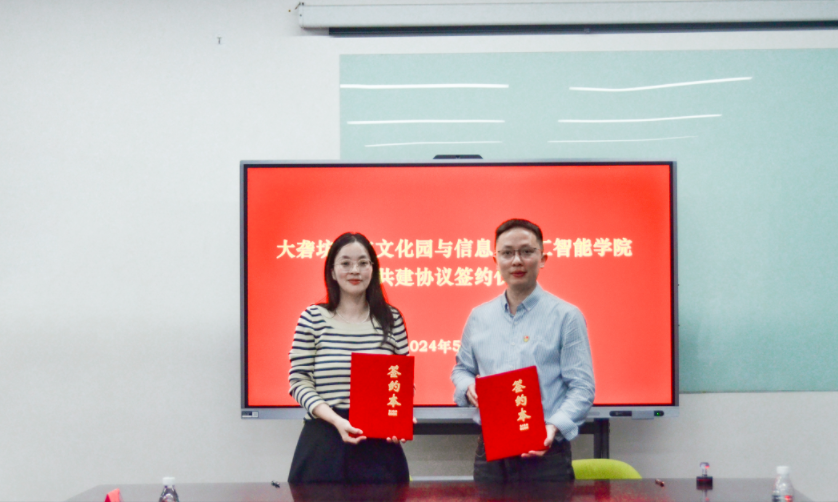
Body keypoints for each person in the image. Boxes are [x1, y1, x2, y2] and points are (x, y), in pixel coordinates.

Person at [451, 219, 595, 483]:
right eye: (507, 253)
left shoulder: (566, 316)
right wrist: (468, 386)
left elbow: (582, 387)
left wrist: (553, 427)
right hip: (491, 452)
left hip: (546, 451)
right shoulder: (479, 317)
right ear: (495, 260)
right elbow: (462, 369)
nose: (517, 261)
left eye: (526, 252)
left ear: (543, 259)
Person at [287, 232, 411, 484]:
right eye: (345, 263)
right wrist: (336, 420)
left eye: (363, 263)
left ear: (373, 269)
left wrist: (400, 417)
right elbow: (299, 381)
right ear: (332, 271)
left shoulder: (391, 318)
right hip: (324, 441)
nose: (355, 270)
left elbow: (401, 380)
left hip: (379, 447)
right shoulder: (313, 318)